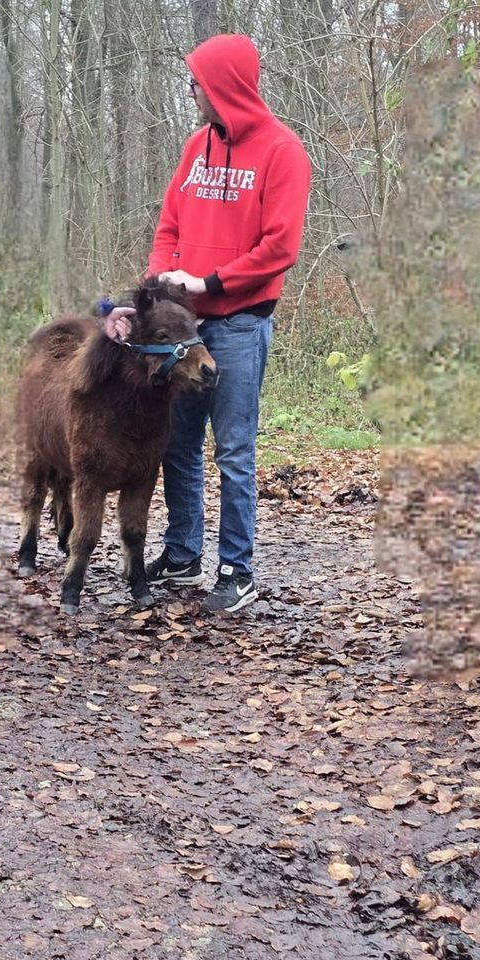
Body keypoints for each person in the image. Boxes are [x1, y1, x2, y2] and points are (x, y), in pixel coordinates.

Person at [145, 33, 311, 613]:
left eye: (197, 82)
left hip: (239, 324)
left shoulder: (282, 152)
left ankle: (236, 571)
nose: (191, 91)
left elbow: (279, 248)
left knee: (233, 452)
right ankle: (184, 551)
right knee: (178, 444)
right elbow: (169, 228)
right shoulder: (196, 148)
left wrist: (210, 284)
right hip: (184, 328)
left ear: (224, 86)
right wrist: (163, 286)